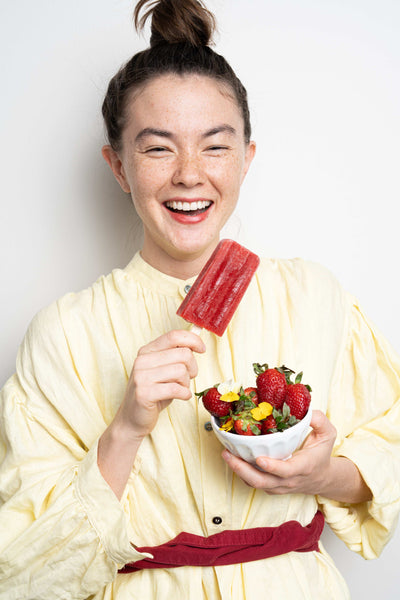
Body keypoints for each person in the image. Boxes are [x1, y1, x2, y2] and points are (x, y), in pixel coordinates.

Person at [0, 0, 399, 598]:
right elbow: (26, 567)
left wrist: (322, 474)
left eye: (215, 146)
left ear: (247, 158)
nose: (190, 174)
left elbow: (389, 454)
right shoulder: (64, 332)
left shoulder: (315, 297)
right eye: (158, 148)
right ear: (117, 167)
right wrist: (127, 428)